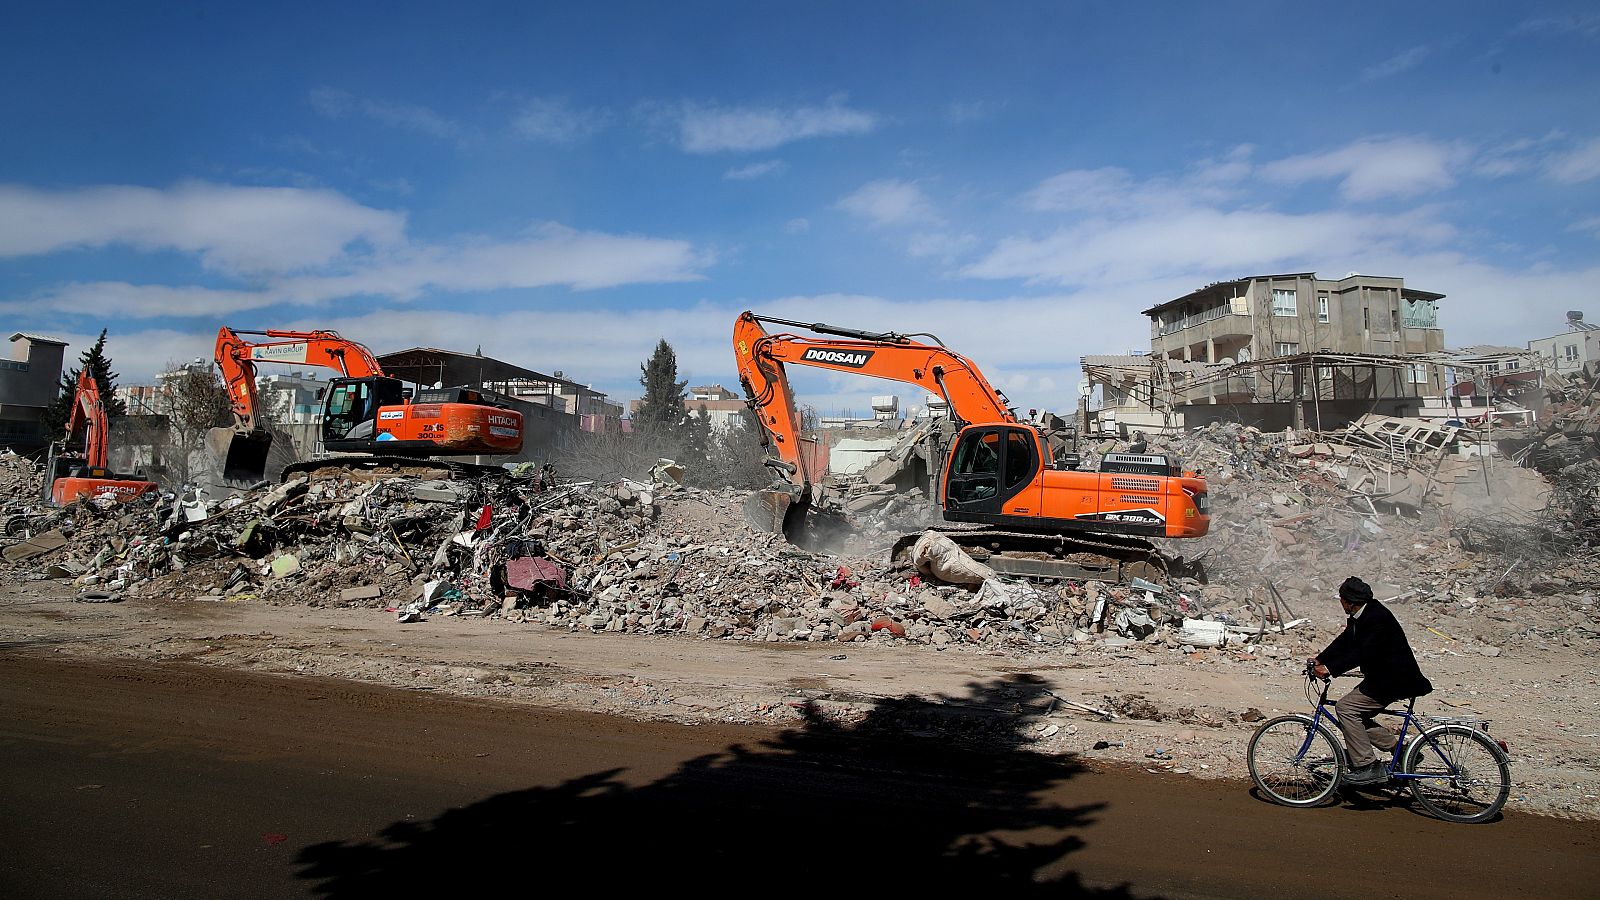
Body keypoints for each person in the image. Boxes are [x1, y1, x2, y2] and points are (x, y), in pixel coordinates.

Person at [1309, 576, 1433, 785]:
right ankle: (1401, 751)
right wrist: (1321, 659)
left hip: (1394, 680)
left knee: (1346, 708)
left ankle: (1367, 766)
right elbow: (1346, 641)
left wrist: (1330, 669)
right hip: (1384, 678)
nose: (1341, 603)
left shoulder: (1376, 618)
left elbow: (1363, 652)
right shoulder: (1364, 613)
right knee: (1356, 717)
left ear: (1348, 602)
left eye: (1341, 599)